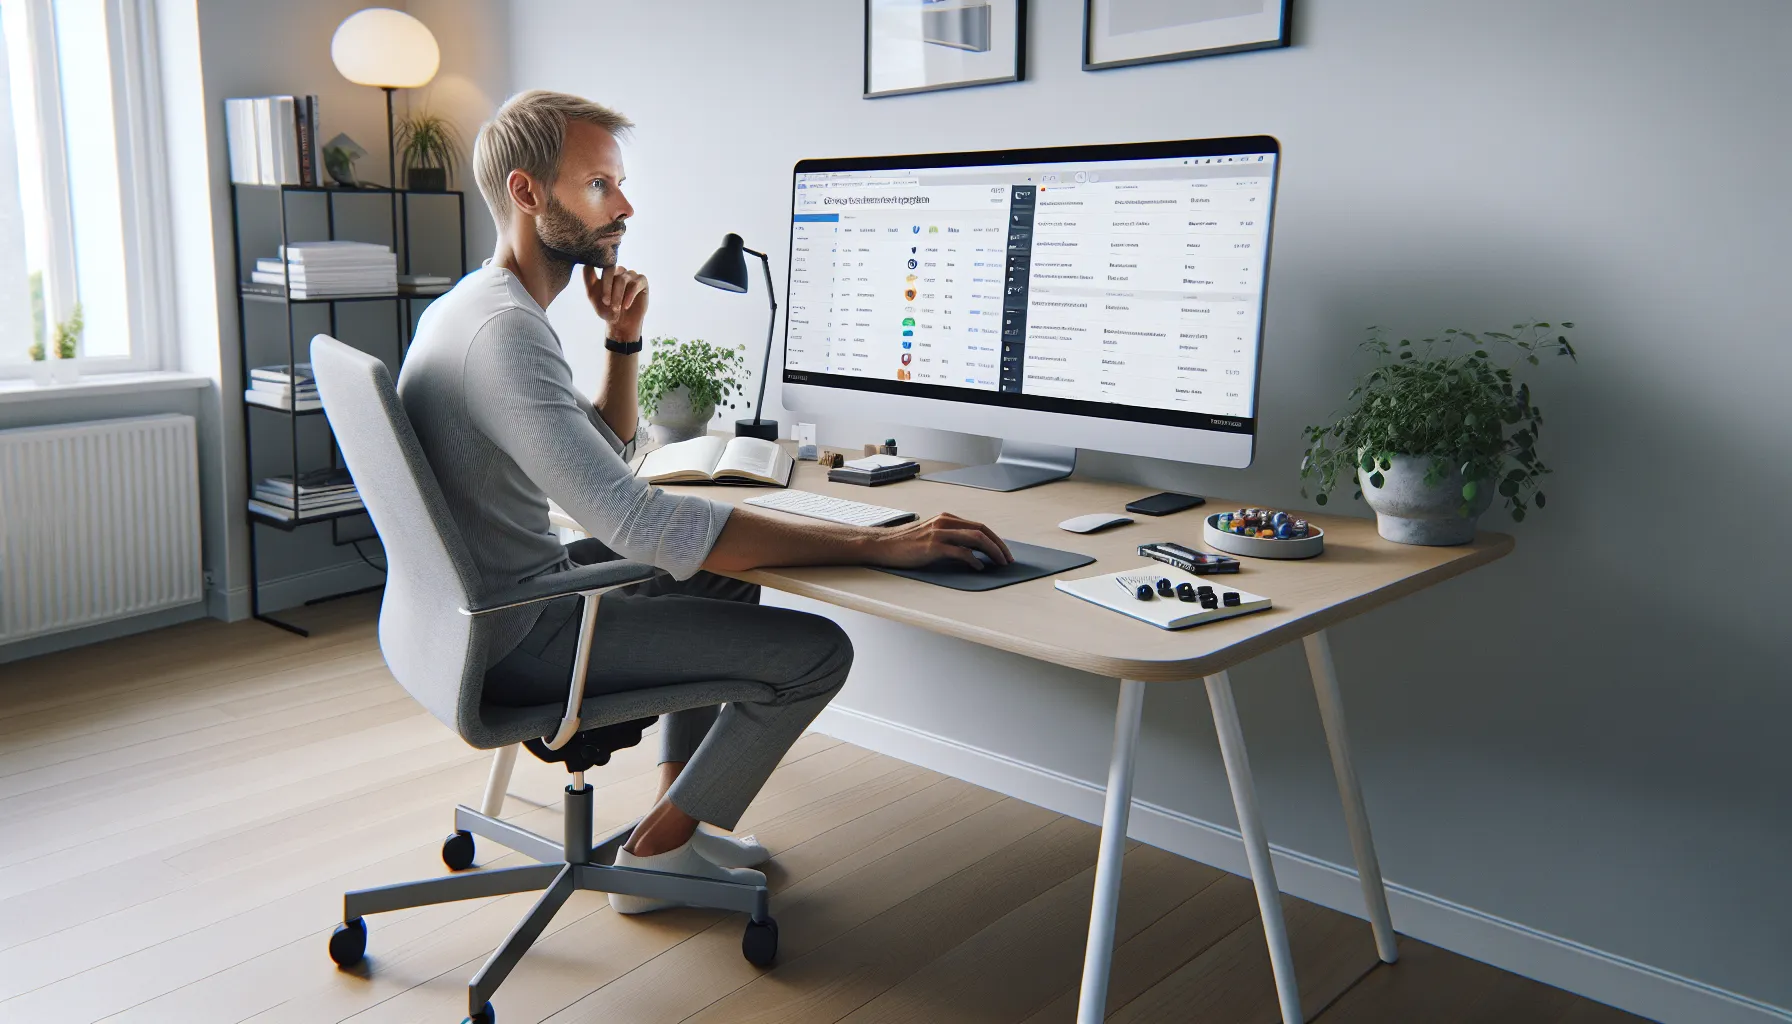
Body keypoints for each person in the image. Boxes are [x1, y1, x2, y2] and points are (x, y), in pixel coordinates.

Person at [397, 90, 1011, 914]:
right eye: (599, 185)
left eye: (619, 184)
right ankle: (657, 854)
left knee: (719, 572)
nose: (625, 207)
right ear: (527, 192)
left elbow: (607, 449)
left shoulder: (476, 307)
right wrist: (877, 543)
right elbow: (640, 522)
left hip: (479, 612)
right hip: (522, 635)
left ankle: (673, 816)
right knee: (816, 653)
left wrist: (623, 342)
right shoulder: (503, 333)